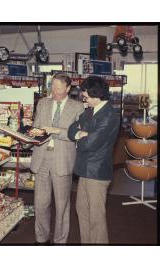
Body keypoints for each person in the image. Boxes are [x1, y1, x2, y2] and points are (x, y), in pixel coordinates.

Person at [30, 73, 84, 244]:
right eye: (52, 87)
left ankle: (60, 241)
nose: (54, 92)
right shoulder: (43, 103)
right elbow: (37, 126)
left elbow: (77, 135)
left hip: (63, 160)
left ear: (68, 89)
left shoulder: (78, 107)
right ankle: (41, 239)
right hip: (41, 158)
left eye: (59, 89)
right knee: (40, 204)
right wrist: (33, 132)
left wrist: (54, 130)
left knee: (62, 206)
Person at [68, 76, 120, 244]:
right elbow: (71, 129)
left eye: (86, 96)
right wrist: (80, 134)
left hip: (97, 173)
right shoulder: (90, 110)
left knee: (96, 217)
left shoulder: (110, 115)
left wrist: (83, 136)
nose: (84, 99)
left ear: (96, 94)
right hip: (85, 170)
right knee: (82, 210)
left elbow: (88, 144)